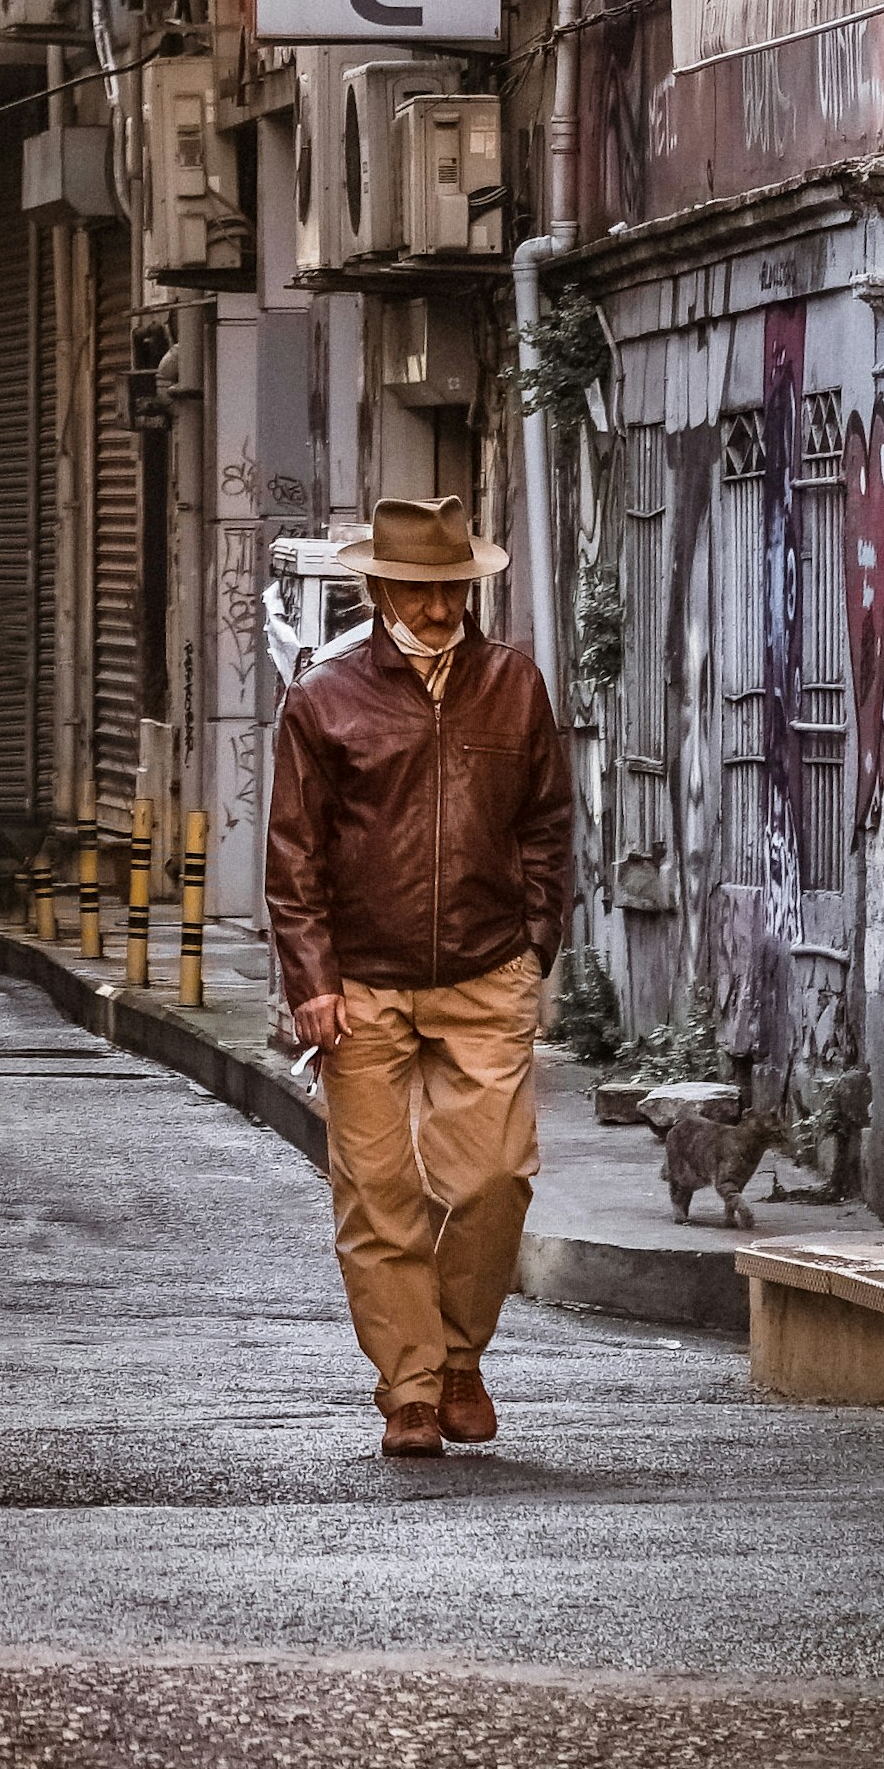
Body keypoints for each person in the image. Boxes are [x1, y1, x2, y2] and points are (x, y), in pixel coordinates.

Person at [264, 494, 574, 1459]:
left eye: (452, 591)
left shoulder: (513, 687)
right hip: (359, 983)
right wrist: (312, 978)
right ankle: (409, 1388)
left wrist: (533, 943)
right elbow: (294, 853)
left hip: (488, 971)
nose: (439, 610)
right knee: (377, 1190)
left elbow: (547, 825)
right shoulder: (325, 699)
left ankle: (457, 1356)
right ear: (378, 587)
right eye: (417, 590)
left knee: (492, 1180)